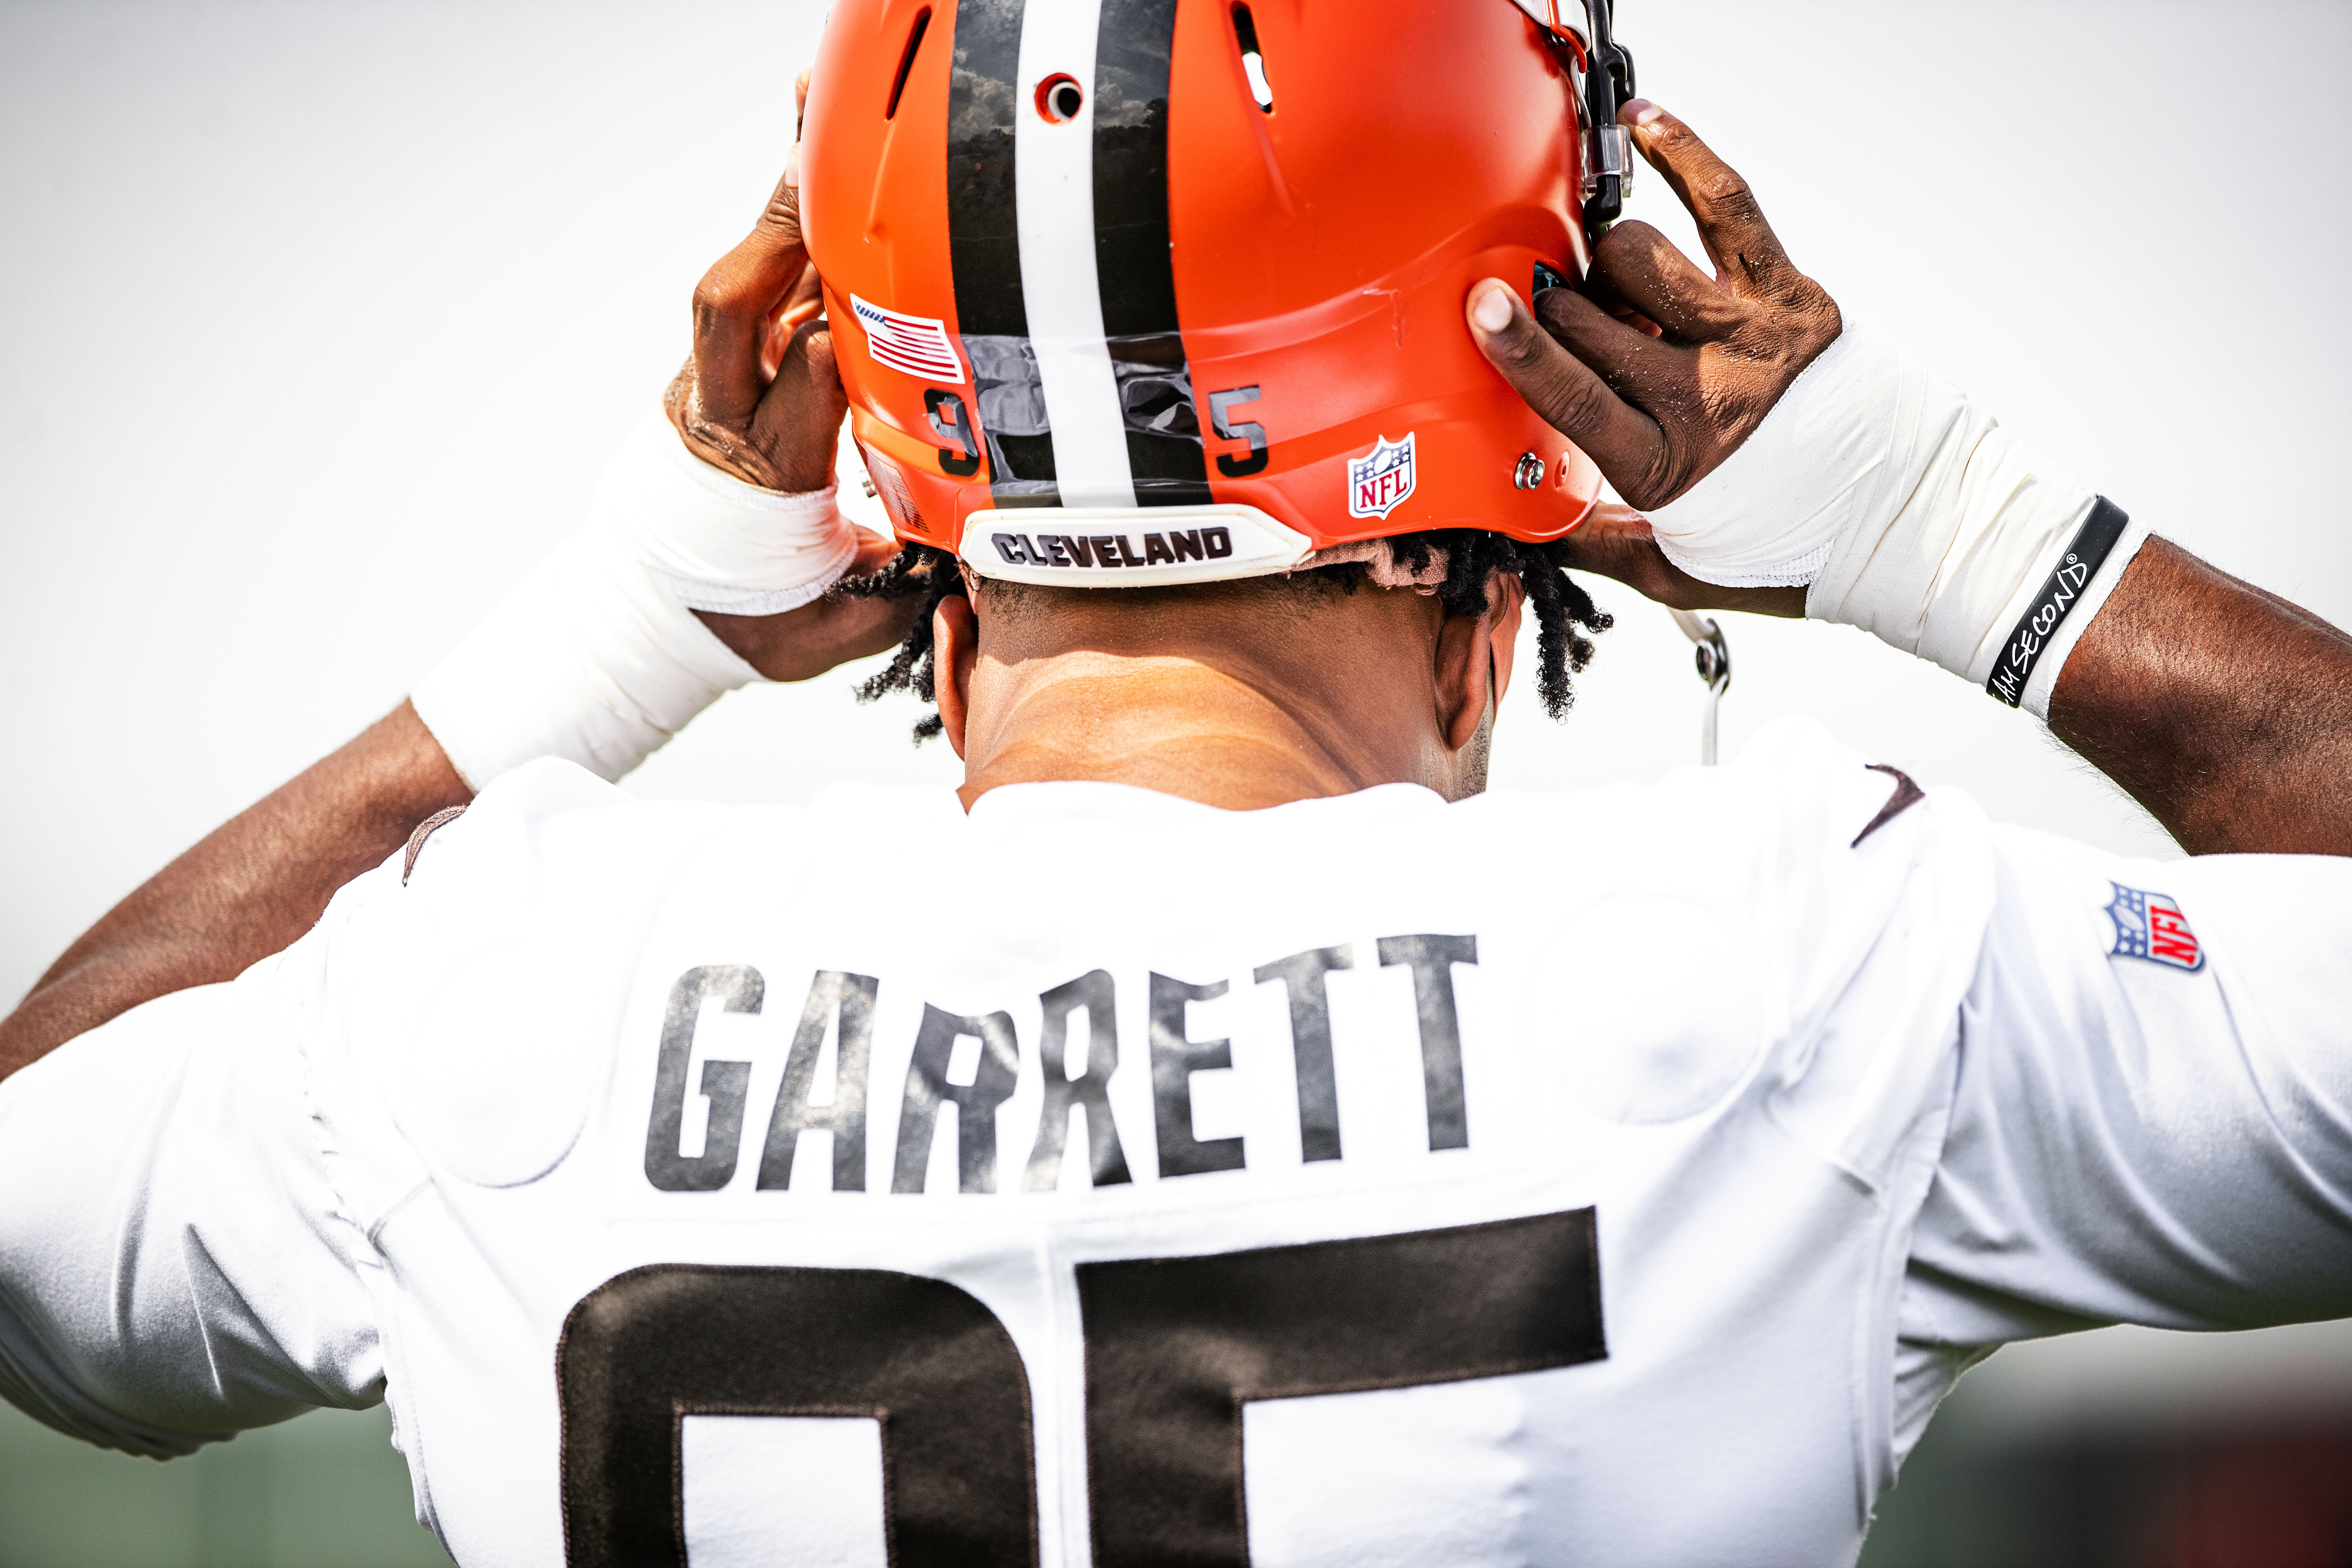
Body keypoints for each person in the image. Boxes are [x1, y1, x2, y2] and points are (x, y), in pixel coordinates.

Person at [4, 44, 2351, 1568]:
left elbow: (29, 1185)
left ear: (929, 627)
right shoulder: (1796, 958)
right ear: (1479, 626)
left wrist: (615, 633)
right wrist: (1955, 529)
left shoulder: (479, 988)